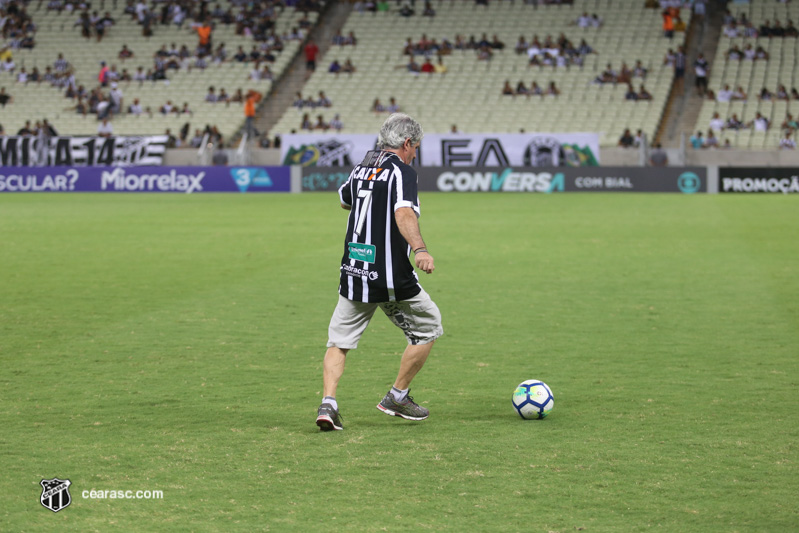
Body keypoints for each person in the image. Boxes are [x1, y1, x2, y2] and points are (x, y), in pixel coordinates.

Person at [316, 113, 443, 432]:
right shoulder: (403, 172)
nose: (415, 153)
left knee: (338, 342)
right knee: (429, 326)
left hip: (354, 270)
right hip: (389, 275)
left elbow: (344, 200)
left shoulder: (362, 167)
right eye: (416, 147)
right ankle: (398, 396)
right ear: (407, 143)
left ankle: (328, 403)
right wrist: (420, 249)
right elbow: (403, 214)